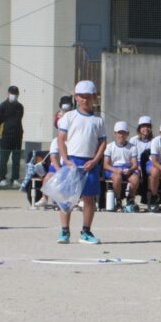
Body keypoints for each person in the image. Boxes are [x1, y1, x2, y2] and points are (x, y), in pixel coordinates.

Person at [55, 80, 107, 244]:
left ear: (94, 97)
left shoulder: (98, 120)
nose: (85, 100)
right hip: (72, 160)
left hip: (90, 162)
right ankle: (64, 231)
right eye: (81, 96)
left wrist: (95, 161)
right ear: (76, 97)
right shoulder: (69, 117)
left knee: (89, 199)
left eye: (88, 96)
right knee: (66, 198)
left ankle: (86, 231)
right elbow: (61, 140)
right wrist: (66, 160)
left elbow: (103, 143)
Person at [103, 121, 140, 212]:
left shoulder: (132, 147)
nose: (121, 135)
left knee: (135, 179)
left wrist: (130, 170)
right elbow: (106, 165)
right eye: (119, 133)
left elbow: (135, 164)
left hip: (127, 169)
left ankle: (130, 198)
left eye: (124, 133)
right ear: (114, 134)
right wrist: (115, 169)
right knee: (117, 177)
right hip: (114, 168)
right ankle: (118, 199)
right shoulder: (109, 147)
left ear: (127, 134)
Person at [0, 85, 24, 188]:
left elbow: (19, 120)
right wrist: (2, 131)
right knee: (4, 159)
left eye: (15, 94)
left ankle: (15, 178)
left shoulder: (20, 107)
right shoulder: (2, 106)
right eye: (12, 93)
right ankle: (2, 178)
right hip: (5, 138)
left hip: (17, 137)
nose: (14, 95)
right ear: (8, 93)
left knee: (16, 160)